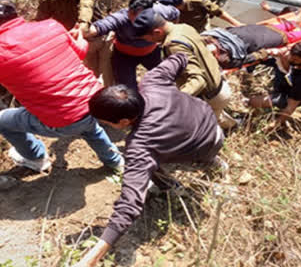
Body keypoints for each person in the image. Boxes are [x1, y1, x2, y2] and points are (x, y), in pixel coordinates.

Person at [70, 53, 226, 267]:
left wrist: (94, 254)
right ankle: (213, 162)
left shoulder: (141, 146)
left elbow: (130, 203)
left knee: (151, 167)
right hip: (212, 125)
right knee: (167, 154)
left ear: (124, 121)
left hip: (202, 148)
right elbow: (180, 58)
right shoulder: (152, 82)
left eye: (106, 122)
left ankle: (173, 185)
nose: (104, 125)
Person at [0, 0, 123, 173]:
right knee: (90, 127)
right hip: (95, 103)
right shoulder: (51, 26)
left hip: (63, 118)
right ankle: (115, 162)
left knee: (2, 121)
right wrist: (81, 40)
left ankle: (35, 158)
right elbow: (80, 53)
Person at [132, 9, 237, 129]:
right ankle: (232, 124)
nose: (148, 42)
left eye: (147, 38)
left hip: (212, 95)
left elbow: (198, 80)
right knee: (216, 115)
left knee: (204, 126)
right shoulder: (183, 27)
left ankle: (230, 128)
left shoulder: (174, 45)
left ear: (156, 32)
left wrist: (174, 101)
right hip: (219, 83)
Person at [85, 0, 179, 90]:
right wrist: (84, 32)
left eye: (136, 14)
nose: (131, 16)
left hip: (151, 53)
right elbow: (102, 25)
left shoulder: (160, 12)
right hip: (124, 56)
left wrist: (167, 35)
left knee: (166, 78)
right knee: (127, 89)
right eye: (131, 12)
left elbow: (175, 13)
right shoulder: (122, 17)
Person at [35, 0, 106, 78]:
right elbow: (39, 24)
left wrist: (79, 31)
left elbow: (84, 19)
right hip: (70, 38)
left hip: (95, 37)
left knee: (97, 73)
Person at [200, 6, 301, 70]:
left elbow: (248, 59)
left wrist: (267, 52)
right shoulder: (204, 39)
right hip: (247, 32)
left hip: (256, 38)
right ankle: (298, 18)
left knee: (288, 36)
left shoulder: (223, 59)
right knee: (282, 28)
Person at [247, 41, 301, 130]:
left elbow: (291, 107)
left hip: (290, 95)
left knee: (253, 101)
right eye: (290, 56)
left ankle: (272, 108)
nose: (290, 59)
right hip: (288, 82)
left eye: (295, 59)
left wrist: (275, 124)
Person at [159, 0, 243, 32]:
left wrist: (237, 24)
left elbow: (219, 12)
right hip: (181, 30)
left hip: (201, 28)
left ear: (179, 5)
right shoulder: (166, 9)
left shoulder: (198, 2)